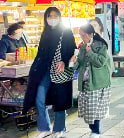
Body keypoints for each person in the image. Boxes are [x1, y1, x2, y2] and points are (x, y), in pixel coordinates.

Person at [23, 7, 76, 137]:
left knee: (60, 100)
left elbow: (71, 50)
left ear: (59, 17)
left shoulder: (66, 32)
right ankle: (44, 127)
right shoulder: (45, 33)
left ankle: (59, 129)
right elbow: (41, 53)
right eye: (49, 16)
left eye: (54, 16)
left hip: (59, 70)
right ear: (46, 18)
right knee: (39, 98)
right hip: (44, 71)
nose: (52, 19)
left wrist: (63, 60)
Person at [72, 23, 112, 138]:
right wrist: (73, 62)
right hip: (85, 81)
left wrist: (90, 52)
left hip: (98, 82)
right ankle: (94, 130)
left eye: (83, 35)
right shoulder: (83, 46)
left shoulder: (101, 45)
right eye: (80, 35)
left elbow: (100, 62)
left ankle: (95, 131)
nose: (82, 38)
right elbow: (80, 63)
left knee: (93, 109)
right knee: (88, 110)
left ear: (91, 34)